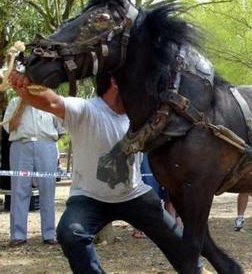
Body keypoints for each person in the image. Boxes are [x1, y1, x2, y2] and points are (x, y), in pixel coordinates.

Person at [9, 70, 204, 273]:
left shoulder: (137, 115)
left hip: (133, 194)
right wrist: (27, 86)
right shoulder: (85, 110)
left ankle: (197, 271)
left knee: (175, 237)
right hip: (89, 198)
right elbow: (52, 102)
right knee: (70, 233)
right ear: (115, 82)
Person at [3, 97, 63, 247]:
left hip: (46, 145)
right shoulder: (15, 102)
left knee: (48, 190)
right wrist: (23, 105)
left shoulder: (50, 100)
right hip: (21, 145)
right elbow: (9, 127)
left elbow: (61, 128)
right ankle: (18, 235)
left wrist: (49, 143)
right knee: (19, 191)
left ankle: (49, 234)